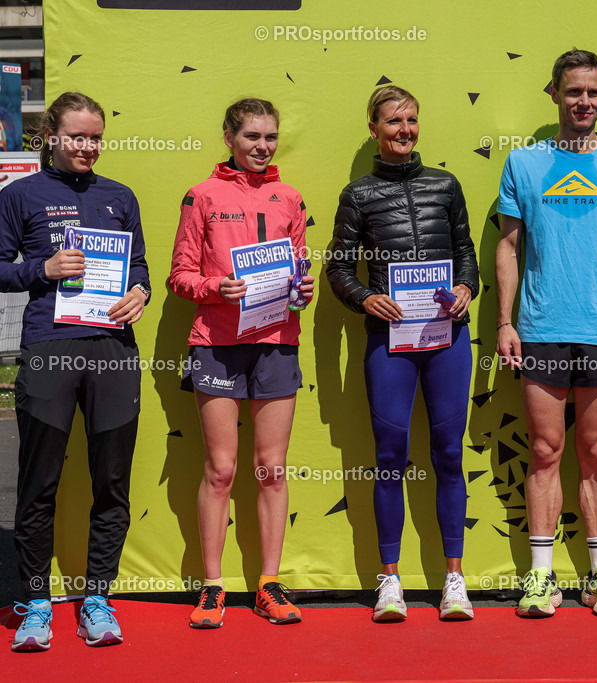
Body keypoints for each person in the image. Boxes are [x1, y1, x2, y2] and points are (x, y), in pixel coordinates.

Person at [496, 49, 597, 618]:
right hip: (541, 329)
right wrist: (505, 322)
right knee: (545, 450)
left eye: (593, 92)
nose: (584, 102)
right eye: (573, 92)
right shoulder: (523, 162)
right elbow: (509, 246)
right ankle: (542, 579)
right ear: (555, 95)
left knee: (595, 451)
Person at [1, 92, 151, 651]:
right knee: (40, 482)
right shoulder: (20, 196)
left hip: (113, 350)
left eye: (95, 137)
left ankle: (97, 599)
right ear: (51, 138)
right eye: (77, 136)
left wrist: (140, 291)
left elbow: (140, 265)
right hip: (48, 349)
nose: (87, 146)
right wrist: (40, 268)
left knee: (111, 481)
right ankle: (36, 601)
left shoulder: (120, 196)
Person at [326, 85, 479, 622]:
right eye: (393, 121)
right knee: (389, 458)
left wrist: (465, 290)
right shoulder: (358, 194)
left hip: (446, 340)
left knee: (449, 455)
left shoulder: (446, 184)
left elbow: (466, 255)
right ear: (374, 129)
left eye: (412, 120)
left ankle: (453, 580)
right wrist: (367, 297)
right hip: (388, 342)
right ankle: (388, 581)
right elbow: (337, 271)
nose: (404, 130)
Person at [168, 98, 314, 629]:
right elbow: (179, 275)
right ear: (228, 136)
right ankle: (212, 587)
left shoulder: (290, 198)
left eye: (270, 137)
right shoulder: (201, 195)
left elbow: (300, 275)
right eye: (251, 136)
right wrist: (216, 287)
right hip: (217, 341)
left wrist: (303, 289)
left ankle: (268, 586)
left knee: (271, 469)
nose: (262, 146)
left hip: (277, 341)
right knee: (221, 469)